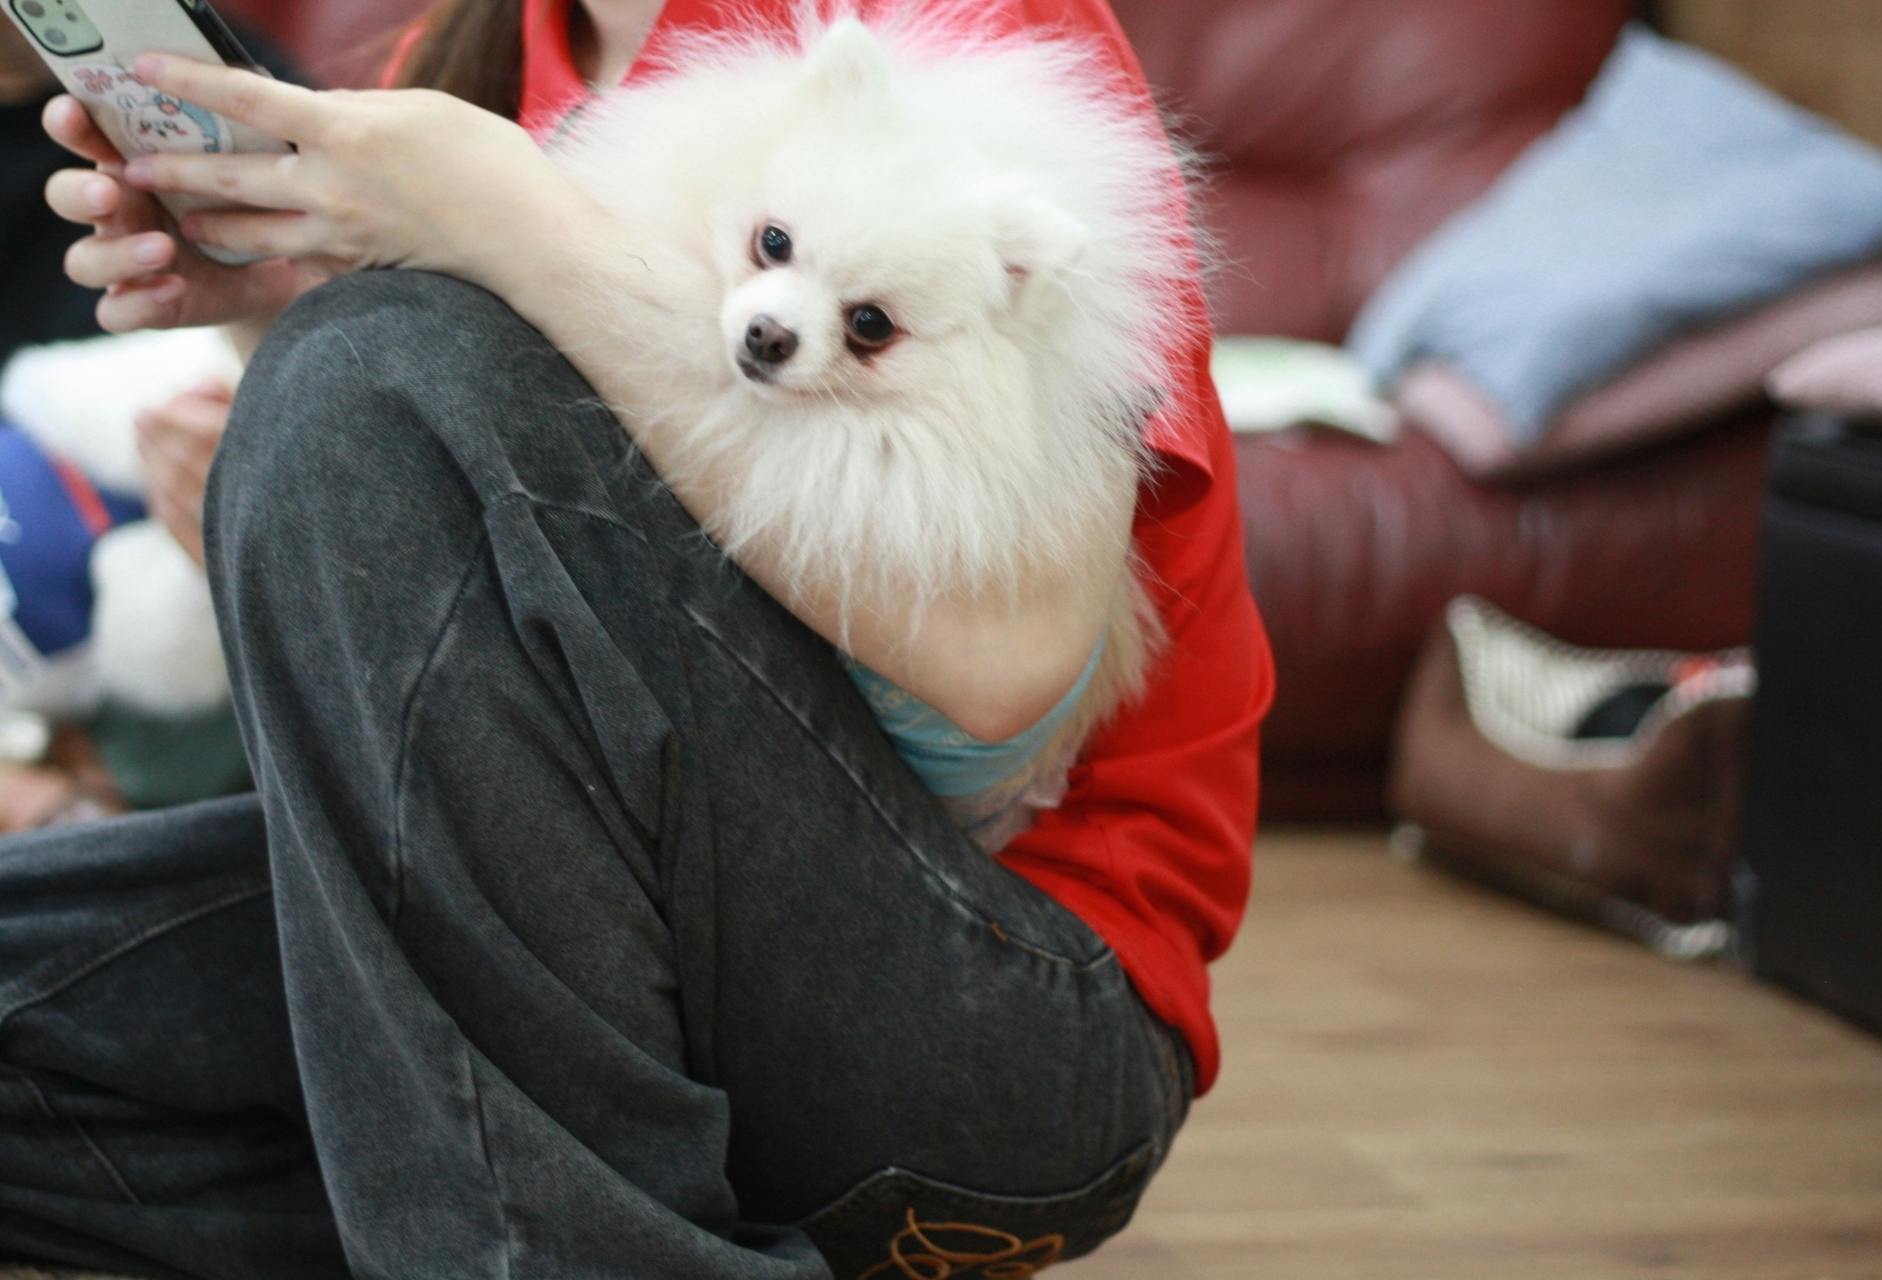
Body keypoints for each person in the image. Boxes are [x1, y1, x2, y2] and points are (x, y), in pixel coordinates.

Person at [0, 1, 1274, 1276]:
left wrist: (502, 218)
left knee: (360, 373)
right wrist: (273, 301)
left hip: (1008, 993)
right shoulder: (472, 55)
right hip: (618, 920)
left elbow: (1009, 666)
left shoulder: (954, 29)